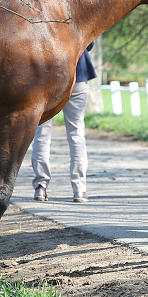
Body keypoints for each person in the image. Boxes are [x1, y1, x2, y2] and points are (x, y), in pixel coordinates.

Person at [32, 44, 97, 203]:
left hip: (48, 75)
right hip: (77, 73)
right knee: (77, 134)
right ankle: (79, 190)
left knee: (42, 133)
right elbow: (89, 42)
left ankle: (41, 186)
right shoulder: (75, 16)